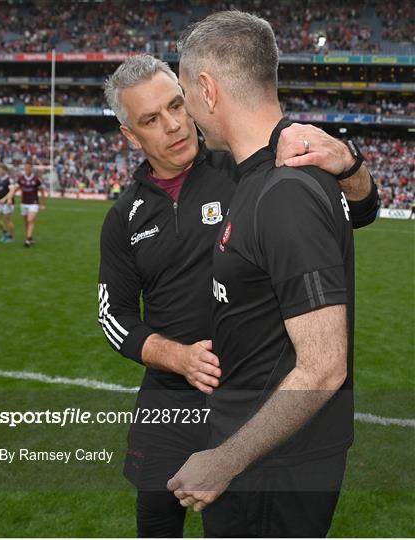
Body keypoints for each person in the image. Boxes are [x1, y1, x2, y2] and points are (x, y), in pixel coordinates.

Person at [99, 55, 379, 538]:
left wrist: (349, 163)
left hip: (253, 403)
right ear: (130, 135)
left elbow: (361, 211)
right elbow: (113, 315)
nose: (172, 125)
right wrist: (177, 357)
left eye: (176, 105)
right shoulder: (125, 216)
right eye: (150, 119)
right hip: (169, 401)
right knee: (156, 524)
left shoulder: (248, 167)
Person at [168, 11, 366, 537]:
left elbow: (324, 366)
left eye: (185, 93)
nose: (185, 111)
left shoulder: (283, 193)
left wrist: (224, 461)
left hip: (271, 470)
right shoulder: (276, 168)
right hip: (264, 450)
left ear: (208, 90)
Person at [3, 161, 46, 247]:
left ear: (31, 168)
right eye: (25, 167)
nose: (27, 169)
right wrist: (9, 198)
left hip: (34, 203)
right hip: (24, 203)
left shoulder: (36, 179)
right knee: (27, 222)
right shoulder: (21, 179)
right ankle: (30, 238)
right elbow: (15, 189)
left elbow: (41, 191)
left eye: (28, 167)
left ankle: (28, 239)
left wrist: (42, 203)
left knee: (30, 220)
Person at [0, 164, 15, 243]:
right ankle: (5, 232)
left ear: (5, 170)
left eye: (0, 169)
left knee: (8, 220)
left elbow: (12, 191)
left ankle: (11, 237)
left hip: (7, 203)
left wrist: (6, 199)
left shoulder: (9, 180)